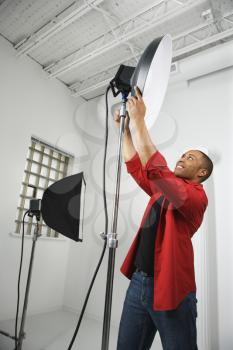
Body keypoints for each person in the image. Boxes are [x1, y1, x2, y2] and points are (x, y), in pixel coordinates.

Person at [114, 87, 213, 350]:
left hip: (172, 290)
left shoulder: (196, 198)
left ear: (202, 172)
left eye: (189, 158)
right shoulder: (163, 190)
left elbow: (156, 168)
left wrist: (139, 120)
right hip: (139, 284)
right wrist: (125, 131)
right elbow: (138, 166)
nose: (182, 158)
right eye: (182, 154)